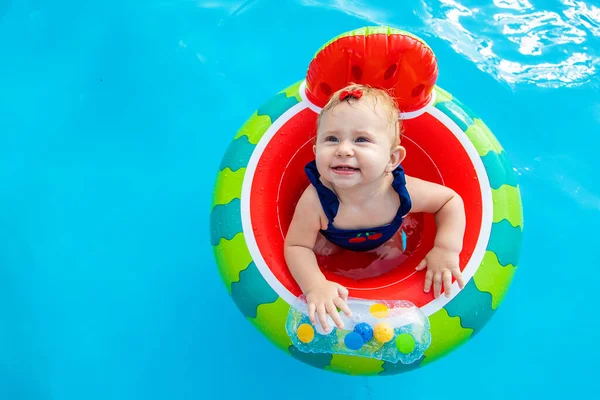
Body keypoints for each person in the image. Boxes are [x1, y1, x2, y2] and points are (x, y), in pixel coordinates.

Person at [284, 84, 466, 332]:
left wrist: (446, 248)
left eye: (361, 140)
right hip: (333, 238)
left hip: (385, 238)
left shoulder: (400, 191)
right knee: (320, 250)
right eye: (331, 139)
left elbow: (450, 201)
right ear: (316, 152)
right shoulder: (316, 200)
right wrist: (315, 284)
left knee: (392, 253)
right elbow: (297, 246)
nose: (343, 150)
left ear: (392, 159)